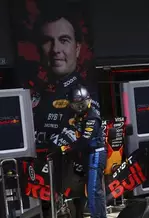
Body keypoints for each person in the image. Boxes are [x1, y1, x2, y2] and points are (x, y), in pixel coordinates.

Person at [31, 8, 99, 150]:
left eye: (64, 40)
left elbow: (86, 135)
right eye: (48, 41)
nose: (55, 49)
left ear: (77, 48)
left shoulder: (86, 93)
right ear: (39, 49)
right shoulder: (33, 95)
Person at [63, 85, 107, 218]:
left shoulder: (93, 117)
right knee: (97, 190)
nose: (80, 108)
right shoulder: (80, 117)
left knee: (93, 190)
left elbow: (85, 140)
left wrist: (67, 148)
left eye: (82, 104)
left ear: (88, 101)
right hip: (89, 154)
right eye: (76, 105)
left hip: (96, 153)